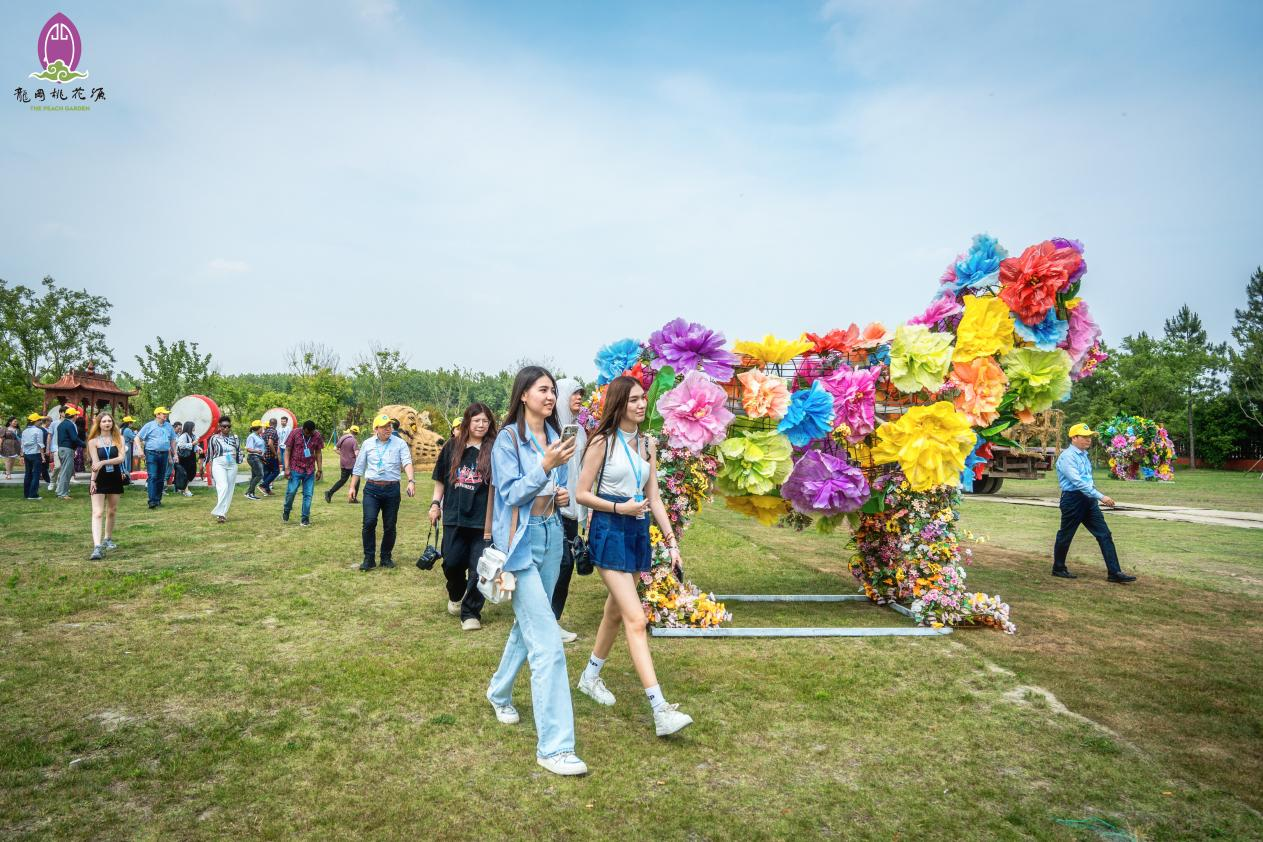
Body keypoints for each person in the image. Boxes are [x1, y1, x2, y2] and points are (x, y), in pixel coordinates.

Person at [573, 375, 693, 737]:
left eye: (643, 398)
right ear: (619, 404)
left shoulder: (647, 443)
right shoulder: (602, 442)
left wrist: (671, 543)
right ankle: (660, 710)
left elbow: (653, 497)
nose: (641, 404)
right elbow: (581, 493)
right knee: (636, 619)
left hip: (637, 532)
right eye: (634, 400)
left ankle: (590, 676)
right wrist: (617, 507)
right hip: (609, 529)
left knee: (614, 612)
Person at [486, 366, 587, 777]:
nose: (550, 397)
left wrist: (558, 492)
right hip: (520, 545)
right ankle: (555, 748)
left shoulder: (555, 436)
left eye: (552, 391)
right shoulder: (508, 440)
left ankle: (498, 691)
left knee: (528, 625)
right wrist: (544, 467)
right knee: (547, 642)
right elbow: (510, 493)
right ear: (523, 394)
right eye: (542, 389)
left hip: (550, 534)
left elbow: (553, 488)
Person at [430, 403, 497, 631]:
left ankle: (470, 614)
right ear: (468, 422)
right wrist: (435, 504)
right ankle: (456, 593)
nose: (481, 425)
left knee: (479, 568)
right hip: (454, 516)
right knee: (451, 563)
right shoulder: (452, 446)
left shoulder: (495, 449)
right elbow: (441, 479)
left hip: (483, 520)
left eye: (485, 421)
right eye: (477, 420)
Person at [1053, 423, 1137, 583]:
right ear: (1074, 438)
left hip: (1088, 500)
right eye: (1084, 437)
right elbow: (1077, 481)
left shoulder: (1083, 455)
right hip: (1073, 499)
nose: (1088, 440)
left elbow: (1087, 479)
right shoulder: (1067, 457)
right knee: (1066, 535)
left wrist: (1094, 495)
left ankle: (1114, 572)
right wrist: (1101, 496)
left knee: (1104, 534)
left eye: (1089, 437)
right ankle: (1058, 568)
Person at [347, 413, 415, 570]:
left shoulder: (399, 443)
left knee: (390, 525)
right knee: (369, 522)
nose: (388, 429)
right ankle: (369, 558)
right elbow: (358, 467)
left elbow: (407, 462)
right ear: (376, 429)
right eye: (384, 427)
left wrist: (411, 481)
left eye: (389, 426)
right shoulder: (367, 444)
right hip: (372, 489)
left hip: (392, 489)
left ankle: (386, 557)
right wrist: (352, 487)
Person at [553, 380, 587, 642]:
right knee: (560, 564)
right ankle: (544, 618)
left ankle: (551, 619)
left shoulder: (581, 431)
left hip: (573, 507)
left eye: (581, 394)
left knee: (566, 566)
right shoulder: (551, 429)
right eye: (574, 393)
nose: (579, 398)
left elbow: (583, 470)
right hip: (554, 507)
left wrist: (585, 508)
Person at [86, 412, 126, 560]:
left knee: (112, 510)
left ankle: (107, 538)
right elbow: (95, 464)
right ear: (99, 424)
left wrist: (104, 462)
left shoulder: (119, 439)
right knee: (97, 512)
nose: (107, 423)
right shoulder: (93, 442)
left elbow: (121, 458)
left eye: (109, 421)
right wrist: (92, 481)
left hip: (115, 477)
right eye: (104, 421)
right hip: (100, 478)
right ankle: (97, 547)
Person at [282, 420, 323, 526]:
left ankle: (305, 518)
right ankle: (287, 509)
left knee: (308, 495)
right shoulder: (295, 433)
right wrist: (287, 468)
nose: (309, 435)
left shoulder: (317, 435)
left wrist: (319, 469)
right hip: (295, 468)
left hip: (309, 470)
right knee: (291, 492)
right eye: (307, 432)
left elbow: (318, 453)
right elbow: (287, 450)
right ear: (303, 429)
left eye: (311, 432)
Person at [136, 407, 179, 509]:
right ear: (157, 415)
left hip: (164, 454)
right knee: (153, 476)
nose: (166, 415)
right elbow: (137, 438)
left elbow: (173, 440)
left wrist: (175, 454)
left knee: (161, 477)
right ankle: (152, 501)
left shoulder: (168, 426)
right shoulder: (149, 425)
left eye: (166, 413)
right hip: (151, 453)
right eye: (164, 413)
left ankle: (157, 500)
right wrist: (140, 450)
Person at [207, 416, 242, 523]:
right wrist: (207, 467)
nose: (226, 428)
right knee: (223, 486)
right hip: (219, 463)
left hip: (232, 464)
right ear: (220, 427)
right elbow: (210, 453)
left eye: (228, 426)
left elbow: (239, 451)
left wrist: (239, 459)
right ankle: (220, 513)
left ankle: (223, 513)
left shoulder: (235, 438)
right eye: (224, 426)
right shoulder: (214, 438)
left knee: (230, 489)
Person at [54, 406, 86, 499]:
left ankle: (60, 491)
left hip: (61, 449)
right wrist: (84, 444)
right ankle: (63, 494)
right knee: (66, 472)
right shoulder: (70, 424)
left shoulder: (61, 424)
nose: (77, 416)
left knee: (64, 471)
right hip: (67, 449)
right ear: (73, 416)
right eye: (76, 415)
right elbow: (74, 438)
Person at [325, 425, 360, 503]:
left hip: (343, 463)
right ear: (356, 433)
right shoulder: (354, 441)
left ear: (350, 431)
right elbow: (357, 453)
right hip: (352, 464)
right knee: (356, 481)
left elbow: (335, 449)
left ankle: (329, 493)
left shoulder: (343, 438)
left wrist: (343, 455)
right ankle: (353, 499)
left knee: (342, 480)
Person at [21, 413, 48, 499]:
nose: (41, 421)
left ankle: (26, 494)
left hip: (27, 454)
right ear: (35, 421)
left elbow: (22, 444)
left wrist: (22, 455)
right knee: (36, 474)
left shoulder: (25, 431)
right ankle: (33, 495)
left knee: (28, 474)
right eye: (39, 420)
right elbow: (40, 444)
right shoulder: (38, 430)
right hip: (36, 454)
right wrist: (43, 456)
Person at [174, 421, 201, 497]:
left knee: (192, 473)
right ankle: (186, 490)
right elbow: (181, 445)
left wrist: (198, 449)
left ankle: (183, 488)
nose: (194, 428)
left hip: (191, 456)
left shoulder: (193, 436)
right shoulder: (184, 436)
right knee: (185, 473)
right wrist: (192, 444)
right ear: (190, 427)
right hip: (185, 457)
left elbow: (195, 446)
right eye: (193, 426)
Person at [244, 420, 266, 500]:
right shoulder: (252, 436)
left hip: (258, 457)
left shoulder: (259, 436)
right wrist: (257, 451)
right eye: (261, 427)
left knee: (254, 476)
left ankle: (251, 493)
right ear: (258, 428)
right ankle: (249, 492)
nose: (263, 428)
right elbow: (248, 449)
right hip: (253, 457)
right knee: (260, 475)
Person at [260, 419, 281, 496]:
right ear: (276, 424)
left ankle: (267, 490)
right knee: (276, 471)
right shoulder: (273, 431)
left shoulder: (265, 432)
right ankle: (263, 485)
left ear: (269, 423)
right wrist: (275, 454)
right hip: (271, 455)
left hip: (264, 455)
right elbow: (270, 443)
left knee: (267, 472)